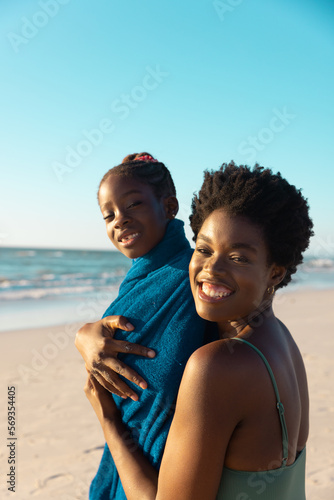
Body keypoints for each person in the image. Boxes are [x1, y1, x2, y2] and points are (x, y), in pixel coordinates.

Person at [84, 162, 313, 500]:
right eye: (203, 249)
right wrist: (88, 332)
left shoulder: (217, 366)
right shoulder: (281, 342)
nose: (211, 269)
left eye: (237, 257)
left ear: (275, 273)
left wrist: (109, 421)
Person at [76, 153, 210, 500]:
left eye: (133, 204)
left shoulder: (194, 277)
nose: (120, 220)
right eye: (109, 215)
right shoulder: (141, 279)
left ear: (169, 206)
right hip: (130, 454)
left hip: (166, 463)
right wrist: (85, 334)